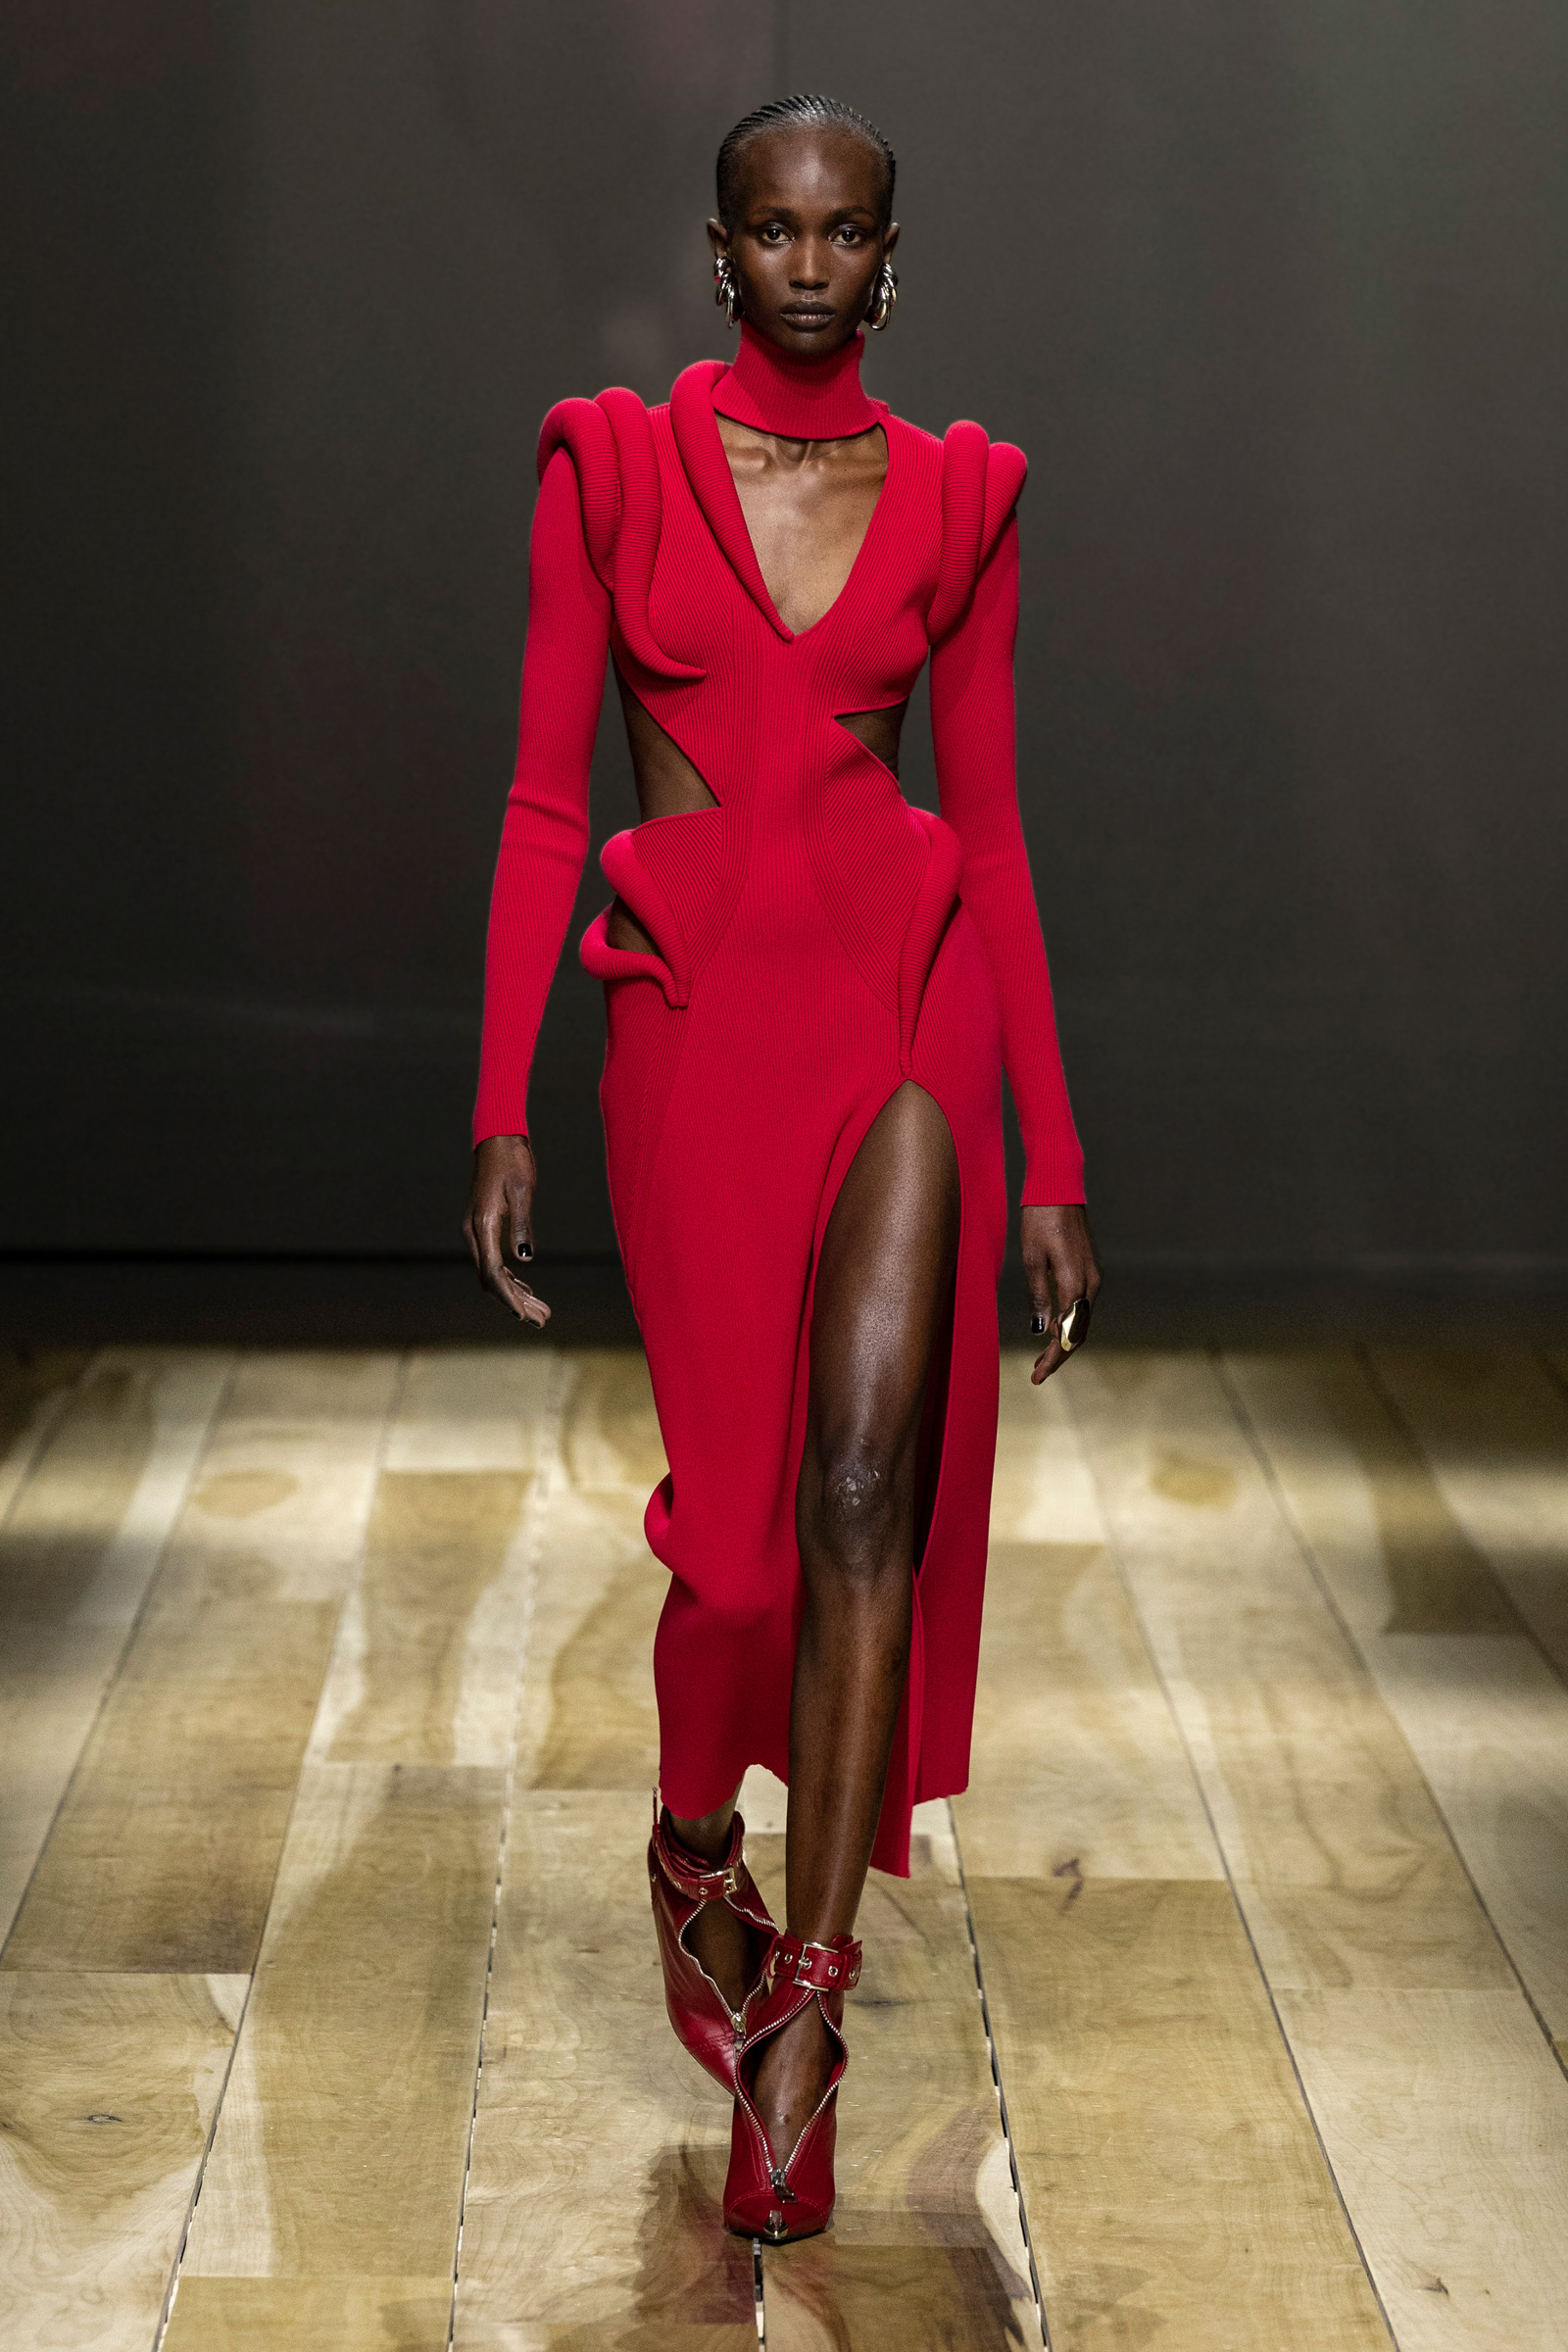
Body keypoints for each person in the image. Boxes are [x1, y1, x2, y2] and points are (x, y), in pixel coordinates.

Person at [465, 94, 1100, 2242]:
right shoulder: (609, 465)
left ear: (888, 257)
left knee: (859, 1496)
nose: (807, 265)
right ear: (718, 247)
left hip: (906, 1014)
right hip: (690, 1032)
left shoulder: (962, 493)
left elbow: (988, 825)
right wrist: (498, 1098)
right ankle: (688, 1851)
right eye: (772, 229)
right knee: (735, 1563)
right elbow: (545, 803)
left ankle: (807, 2015)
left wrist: (1051, 1154)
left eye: (843, 233)